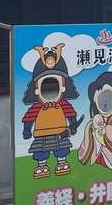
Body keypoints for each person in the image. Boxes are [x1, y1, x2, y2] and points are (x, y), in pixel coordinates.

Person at [21, 44, 81, 179]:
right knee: (40, 151)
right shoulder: (37, 106)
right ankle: (41, 166)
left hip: (61, 132)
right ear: (37, 89)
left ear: (63, 87)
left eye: (54, 85)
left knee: (62, 149)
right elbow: (29, 118)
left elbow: (71, 114)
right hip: (41, 134)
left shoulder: (63, 104)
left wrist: (73, 125)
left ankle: (62, 163)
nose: (50, 89)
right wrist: (26, 130)